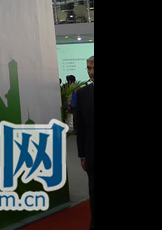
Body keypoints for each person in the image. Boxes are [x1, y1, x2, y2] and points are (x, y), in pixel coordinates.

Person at [74, 56, 94, 230]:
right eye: (88, 68)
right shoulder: (82, 94)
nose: (91, 72)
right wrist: (82, 155)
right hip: (92, 153)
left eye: (93, 68)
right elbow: (79, 127)